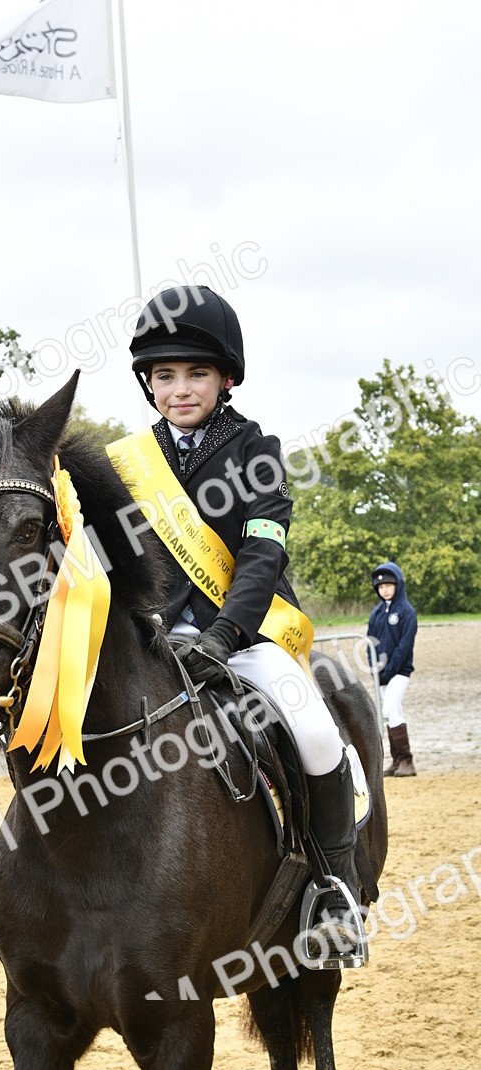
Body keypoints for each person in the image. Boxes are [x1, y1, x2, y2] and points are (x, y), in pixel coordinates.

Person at [111, 285, 364, 965]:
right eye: (165, 376)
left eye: (196, 373)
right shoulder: (126, 464)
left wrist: (225, 634)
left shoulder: (257, 450)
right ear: (149, 384)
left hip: (245, 635)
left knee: (313, 730)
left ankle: (333, 891)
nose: (180, 389)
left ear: (225, 378)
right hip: (154, 642)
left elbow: (261, 553)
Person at [368, 562, 417, 777]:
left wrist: (388, 671)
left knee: (388, 710)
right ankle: (398, 761)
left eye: (388, 585)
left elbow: (404, 647)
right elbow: (370, 641)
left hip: (399, 672)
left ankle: (406, 759)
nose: (385, 589)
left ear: (397, 585)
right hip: (381, 674)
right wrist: (374, 667)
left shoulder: (407, 612)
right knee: (394, 712)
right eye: (381, 587)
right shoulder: (377, 613)